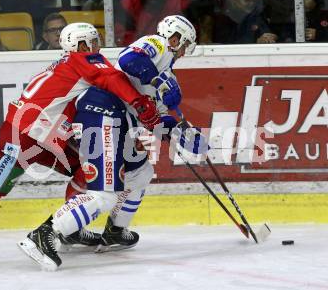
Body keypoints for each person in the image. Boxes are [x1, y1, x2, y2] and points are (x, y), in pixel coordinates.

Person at [0, 22, 160, 266]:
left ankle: (69, 229)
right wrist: (140, 102)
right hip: (22, 137)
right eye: (91, 42)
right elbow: (112, 79)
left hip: (47, 139)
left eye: (97, 42)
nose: (97, 47)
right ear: (78, 45)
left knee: (86, 170)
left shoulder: (70, 65)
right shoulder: (82, 60)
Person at [18, 15, 208, 271]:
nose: (184, 52)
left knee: (141, 172)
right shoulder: (157, 45)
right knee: (105, 195)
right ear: (175, 38)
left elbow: (157, 118)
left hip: (119, 122)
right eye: (184, 46)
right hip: (101, 112)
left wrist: (181, 134)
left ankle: (115, 232)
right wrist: (158, 81)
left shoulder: (168, 75)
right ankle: (45, 233)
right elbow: (130, 60)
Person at [114, 0, 191, 46]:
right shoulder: (130, 3)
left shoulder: (179, 1)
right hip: (140, 55)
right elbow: (123, 38)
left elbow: (189, 35)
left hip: (171, 53)